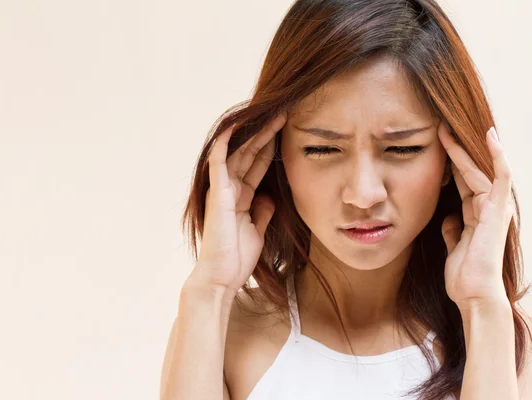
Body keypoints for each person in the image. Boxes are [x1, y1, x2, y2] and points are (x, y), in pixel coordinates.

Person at [160, 0, 532, 399]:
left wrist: (482, 305)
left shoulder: (501, 339)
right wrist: (210, 288)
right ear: (275, 155)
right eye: (322, 149)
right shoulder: (222, 328)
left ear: (451, 160)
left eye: (402, 149)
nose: (363, 195)